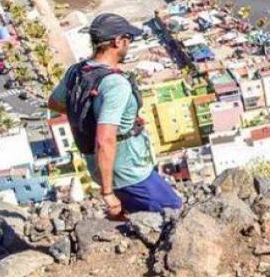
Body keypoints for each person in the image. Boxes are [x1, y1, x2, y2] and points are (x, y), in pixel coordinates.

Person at [48, 13, 182, 218]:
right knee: (174, 212)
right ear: (118, 41)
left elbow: (55, 103)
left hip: (100, 166)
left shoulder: (77, 71)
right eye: (129, 40)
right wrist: (107, 193)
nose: (129, 44)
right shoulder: (115, 83)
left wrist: (92, 117)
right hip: (127, 171)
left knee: (135, 218)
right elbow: (105, 139)